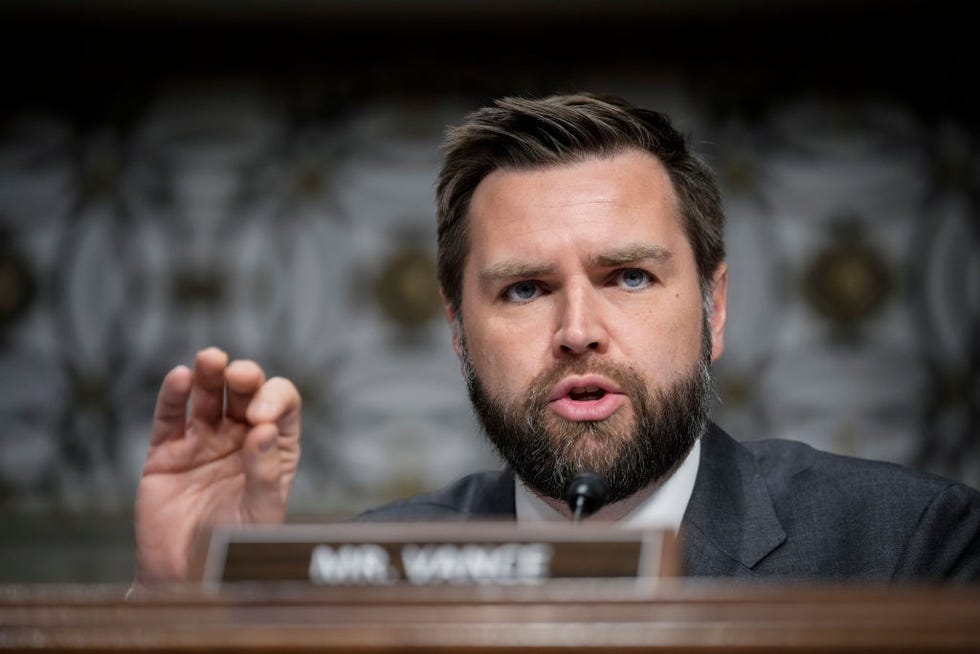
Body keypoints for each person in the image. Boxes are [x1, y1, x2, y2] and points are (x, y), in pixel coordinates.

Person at [134, 93, 980, 585]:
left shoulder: (911, 544)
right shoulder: (380, 570)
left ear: (716, 309)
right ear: (459, 333)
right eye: (526, 289)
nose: (578, 333)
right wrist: (184, 603)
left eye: (630, 278)